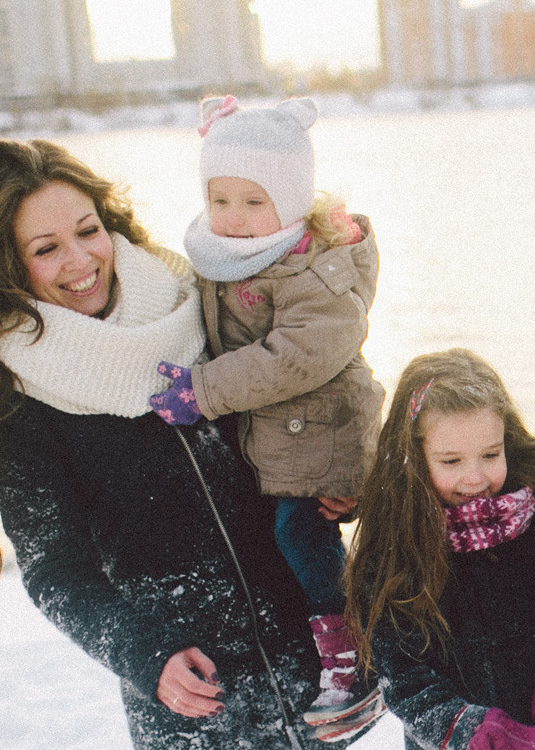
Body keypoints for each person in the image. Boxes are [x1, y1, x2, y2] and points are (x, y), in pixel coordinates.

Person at [0, 139, 378, 749]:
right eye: (45, 249)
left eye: (87, 231)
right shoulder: (20, 399)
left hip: (318, 662)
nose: (80, 260)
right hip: (197, 704)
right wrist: (147, 658)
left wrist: (341, 483)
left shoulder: (201, 305)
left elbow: (306, 395)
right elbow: (56, 572)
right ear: (9, 267)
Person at [147, 95, 387, 727]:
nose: (234, 217)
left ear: (291, 202)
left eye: (255, 202)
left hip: (323, 431)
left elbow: (293, 357)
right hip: (281, 436)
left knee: (298, 534)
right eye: (221, 199)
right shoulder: (224, 255)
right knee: (274, 537)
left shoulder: (315, 269)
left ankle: (352, 656)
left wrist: (201, 390)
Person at [345, 349, 535, 750]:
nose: (475, 478)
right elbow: (405, 682)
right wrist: (475, 731)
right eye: (451, 460)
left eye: (490, 454)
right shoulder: (395, 555)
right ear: (414, 457)